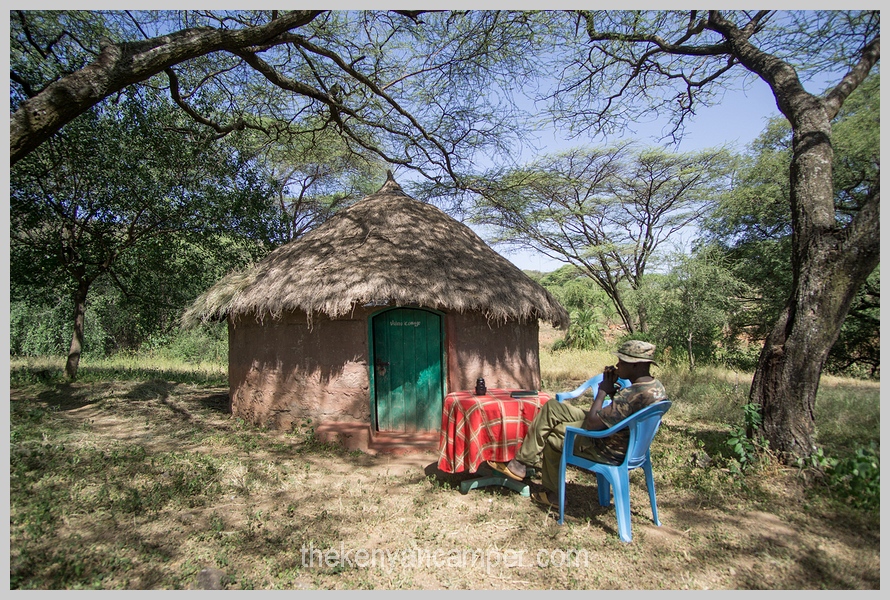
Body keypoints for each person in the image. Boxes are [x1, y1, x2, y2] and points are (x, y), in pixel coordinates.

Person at [487, 340, 667, 508]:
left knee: (554, 435)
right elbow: (623, 414)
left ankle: (553, 495)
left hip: (605, 445)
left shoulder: (632, 394)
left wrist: (603, 391)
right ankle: (521, 463)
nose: (618, 365)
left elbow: (591, 424)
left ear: (635, 365)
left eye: (622, 361)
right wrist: (613, 393)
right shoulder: (655, 386)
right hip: (621, 436)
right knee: (552, 407)